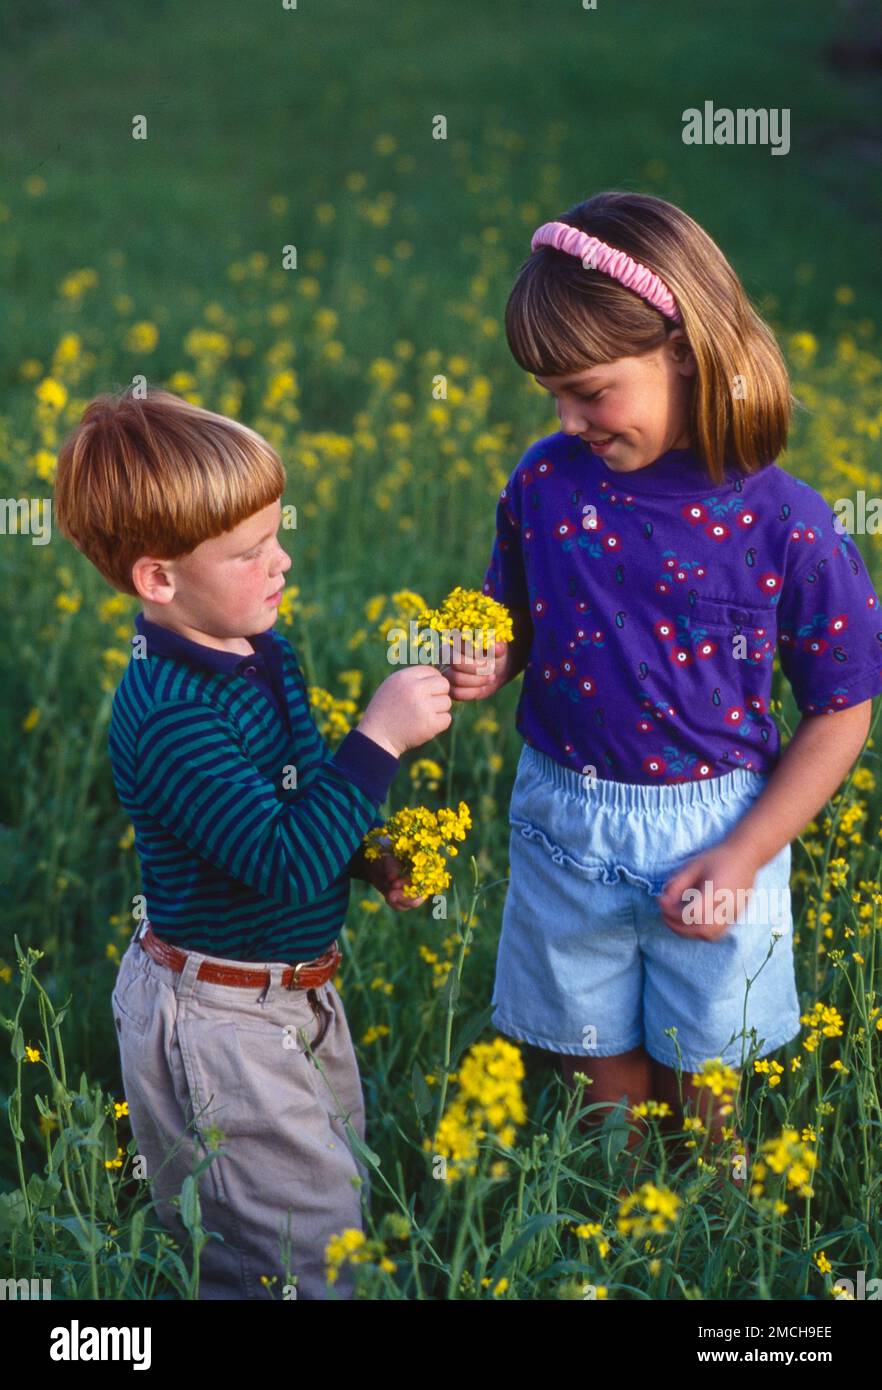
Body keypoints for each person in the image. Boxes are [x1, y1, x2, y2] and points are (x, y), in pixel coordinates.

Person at [445, 191, 882, 1180]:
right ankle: (618, 1230)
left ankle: (715, 1243)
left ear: (684, 350)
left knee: (709, 1081)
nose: (567, 418)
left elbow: (842, 704)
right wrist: (479, 654)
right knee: (593, 1071)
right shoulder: (545, 483)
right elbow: (504, 618)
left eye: (590, 390)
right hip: (566, 815)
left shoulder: (786, 521)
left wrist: (745, 851)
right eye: (550, 394)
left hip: (721, 829)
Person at [52, 386, 451, 1298]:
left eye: (275, 535)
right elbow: (280, 863)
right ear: (159, 578)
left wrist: (371, 853)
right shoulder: (171, 714)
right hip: (220, 1024)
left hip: (296, 997)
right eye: (250, 551)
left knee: (331, 1215)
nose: (283, 561)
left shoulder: (261, 651)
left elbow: (300, 804)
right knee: (284, 1266)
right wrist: (379, 739)